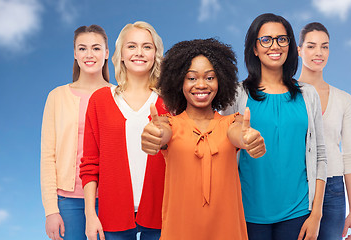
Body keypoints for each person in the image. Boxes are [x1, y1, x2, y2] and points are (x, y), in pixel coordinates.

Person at [141, 38, 266, 240]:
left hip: (226, 231)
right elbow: (161, 132)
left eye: (209, 78)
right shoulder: (169, 124)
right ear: (178, 81)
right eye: (191, 78)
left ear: (221, 81)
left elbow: (238, 134)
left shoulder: (232, 122)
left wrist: (248, 139)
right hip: (181, 231)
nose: (201, 85)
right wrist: (153, 135)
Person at [221, 13, 327, 240]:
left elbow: (320, 155)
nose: (275, 46)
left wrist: (316, 214)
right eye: (266, 40)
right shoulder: (237, 95)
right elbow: (223, 152)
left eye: (282, 39)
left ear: (290, 45)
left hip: (298, 213)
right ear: (254, 48)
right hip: (247, 213)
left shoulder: (308, 95)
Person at [80, 21, 167, 240]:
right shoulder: (99, 101)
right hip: (112, 217)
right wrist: (91, 215)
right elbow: (90, 163)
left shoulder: (170, 101)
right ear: (121, 54)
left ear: (156, 53)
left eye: (147, 46)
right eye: (132, 46)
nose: (139, 52)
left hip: (162, 216)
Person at [41, 24, 112, 240]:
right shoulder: (57, 96)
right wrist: (51, 210)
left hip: (110, 198)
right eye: (82, 48)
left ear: (107, 53)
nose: (89, 54)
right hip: (68, 201)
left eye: (96, 48)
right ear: (75, 53)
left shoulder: (119, 95)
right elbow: (48, 156)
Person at [297, 22, 351, 240]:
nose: (319, 53)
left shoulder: (344, 100)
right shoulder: (288, 94)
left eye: (324, 47)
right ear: (299, 50)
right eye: (312, 46)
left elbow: (349, 156)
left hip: (333, 188)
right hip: (297, 185)